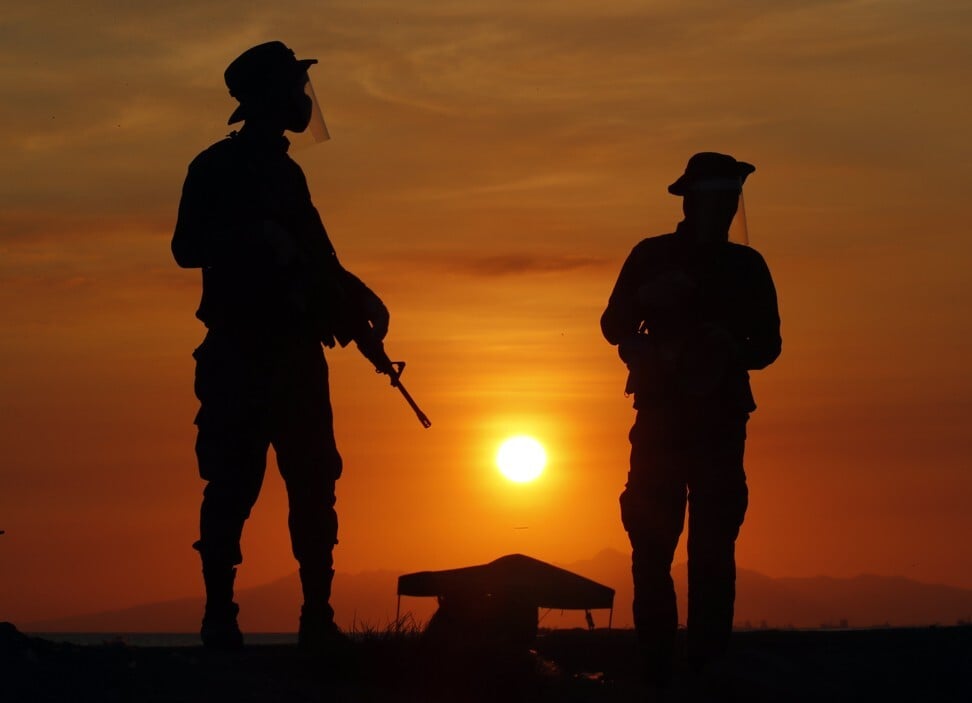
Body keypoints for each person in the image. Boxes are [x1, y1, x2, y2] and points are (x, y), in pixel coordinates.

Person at [172, 41, 393, 650]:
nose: (304, 101)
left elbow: (318, 261)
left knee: (314, 484)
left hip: (294, 355)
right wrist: (252, 236)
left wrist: (359, 302)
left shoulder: (287, 172)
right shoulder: (215, 169)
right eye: (295, 89)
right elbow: (187, 248)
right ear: (268, 97)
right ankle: (220, 617)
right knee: (231, 486)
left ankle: (316, 618)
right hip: (240, 353)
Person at [600, 152, 781, 686]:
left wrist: (731, 347)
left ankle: (706, 661)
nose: (727, 211)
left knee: (713, 544)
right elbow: (613, 327)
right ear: (697, 202)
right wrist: (645, 300)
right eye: (719, 200)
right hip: (660, 420)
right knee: (653, 541)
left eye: (732, 202)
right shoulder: (650, 257)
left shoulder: (748, 267)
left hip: (721, 421)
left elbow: (769, 345)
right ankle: (657, 660)